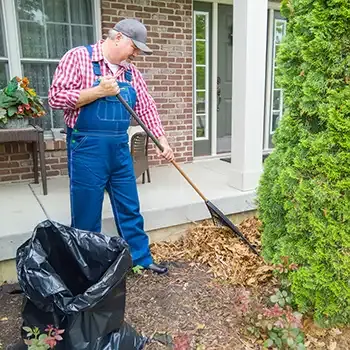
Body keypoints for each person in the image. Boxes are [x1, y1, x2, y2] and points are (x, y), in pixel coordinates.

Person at [48, 18, 174, 275]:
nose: (136, 53)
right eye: (134, 47)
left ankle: (140, 257)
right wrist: (97, 92)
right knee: (87, 211)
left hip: (118, 146)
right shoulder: (79, 58)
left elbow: (146, 107)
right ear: (118, 38)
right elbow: (55, 97)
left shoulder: (131, 73)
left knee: (129, 205)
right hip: (86, 146)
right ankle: (88, 268)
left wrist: (161, 140)